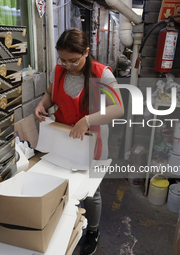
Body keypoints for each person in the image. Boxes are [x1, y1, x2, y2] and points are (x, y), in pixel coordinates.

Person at [34, 28, 124, 255]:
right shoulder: (59, 71)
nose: (67, 65)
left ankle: (93, 230)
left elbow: (118, 108)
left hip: (92, 144)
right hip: (64, 141)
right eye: (62, 60)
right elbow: (50, 94)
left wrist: (87, 119)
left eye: (73, 60)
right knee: (64, 184)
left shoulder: (101, 74)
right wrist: (41, 105)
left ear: (86, 52)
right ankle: (67, 225)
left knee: (91, 193)